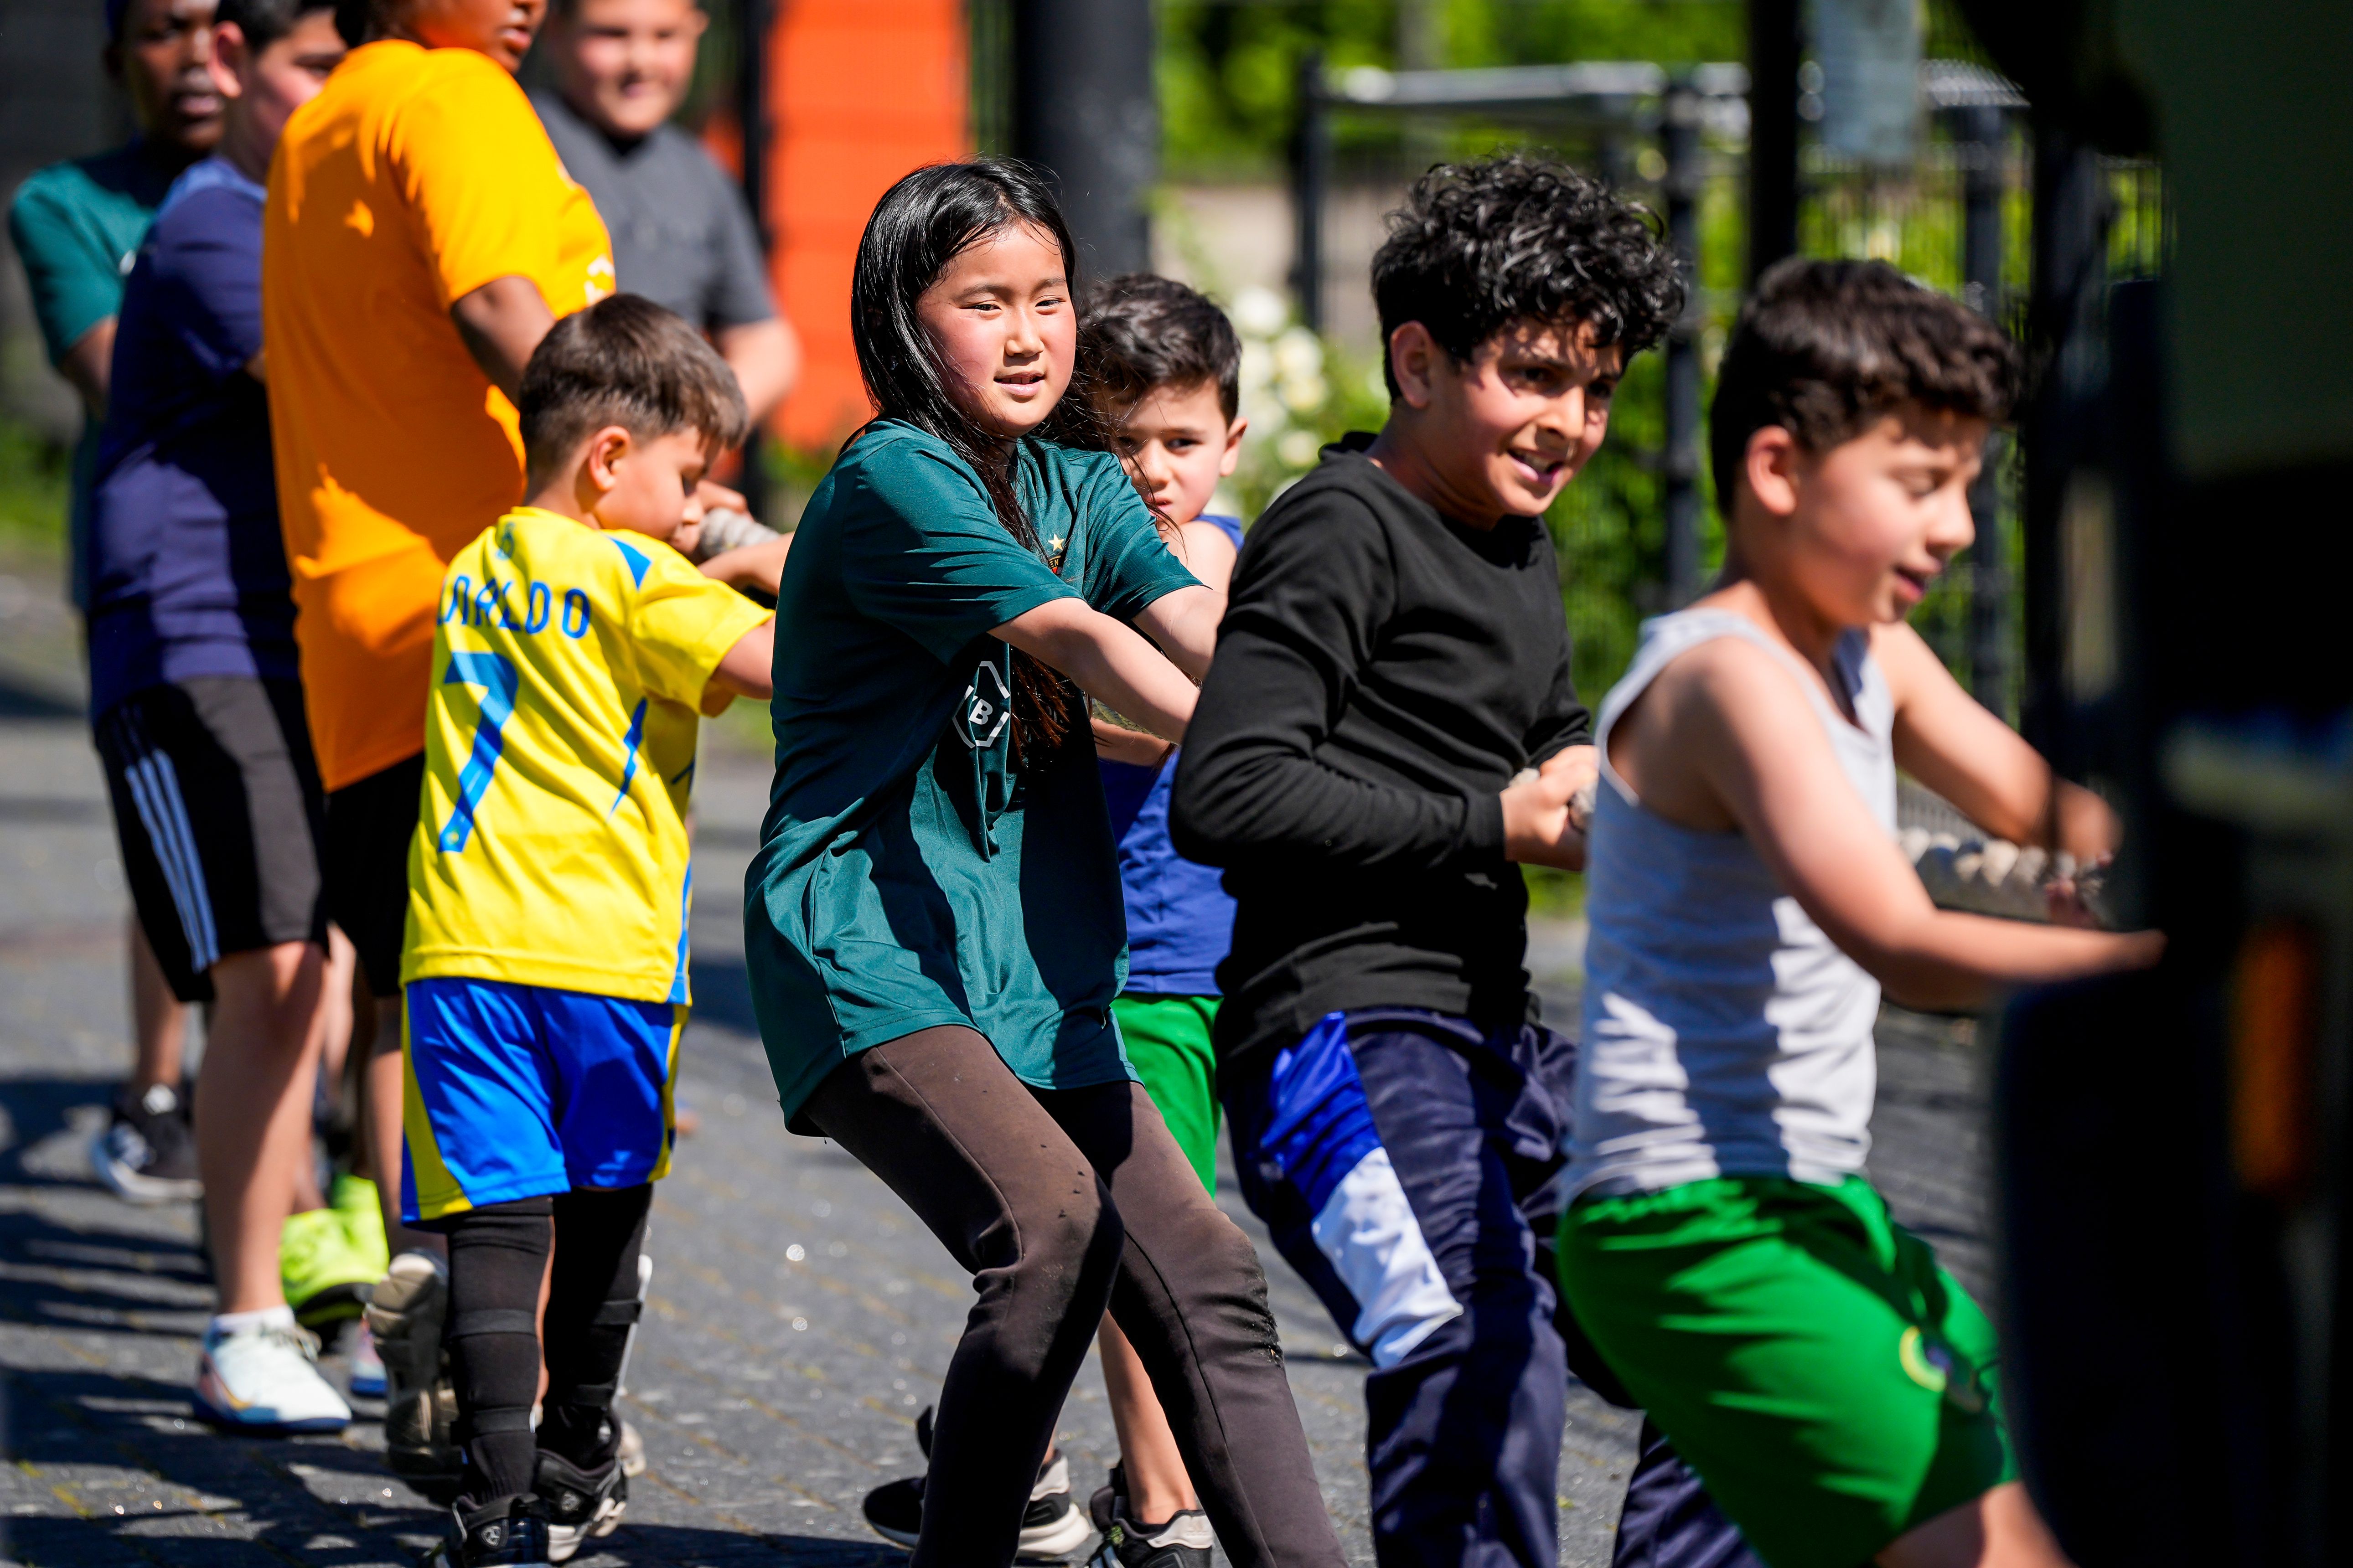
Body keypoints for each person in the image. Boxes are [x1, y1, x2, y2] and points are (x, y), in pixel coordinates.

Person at [742, 158, 1345, 1568]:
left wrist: (1339, 706)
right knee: (1048, 1224)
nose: (1028, 335)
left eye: (1050, 300)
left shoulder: (1081, 474)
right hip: (871, 949)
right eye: (984, 303)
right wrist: (1280, 759)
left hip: (1034, 961)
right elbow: (1087, 643)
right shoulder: (898, 475)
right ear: (903, 321)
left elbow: (1190, 617)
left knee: (1202, 1273)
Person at [1556, 258, 2162, 1568]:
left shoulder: (1866, 650)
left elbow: (2048, 810)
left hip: (1807, 1202)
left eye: (1965, 486)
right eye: (1918, 481)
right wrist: (2162, 963)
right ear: (1779, 471)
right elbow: (1897, 937)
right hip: (1688, 1225)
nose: (1955, 527)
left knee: (2043, 1468)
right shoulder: (1731, 680)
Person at [1167, 155, 1693, 1568]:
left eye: (1596, 388)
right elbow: (1224, 790)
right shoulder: (1341, 529)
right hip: (1334, 1042)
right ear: (1415, 358)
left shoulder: (1515, 546)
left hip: (1494, 1042)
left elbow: (1548, 731)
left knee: (1724, 1307)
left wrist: (1586, 767)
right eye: (1533, 377)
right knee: (1474, 1344)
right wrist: (1491, 822)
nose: (1569, 422)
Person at [264, 0, 617, 1478]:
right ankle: (510, 1399)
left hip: (359, 633)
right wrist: (635, 465)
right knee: (536, 1011)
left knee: (427, 994)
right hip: (492, 621)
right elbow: (504, 313)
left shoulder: (320, 118)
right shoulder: (452, 97)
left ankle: (440, 1309)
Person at [854, 272, 1249, 1568]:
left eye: (1179, 443)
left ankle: (1082, 1483)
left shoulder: (1214, 566)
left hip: (1190, 967)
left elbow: (1157, 694)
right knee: (1103, 1241)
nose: (1149, 471)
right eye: (1120, 441)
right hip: (1084, 961)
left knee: (1138, 1249)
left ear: (1230, 445)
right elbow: (1090, 695)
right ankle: (1107, 1487)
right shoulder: (1054, 555)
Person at [398, 294, 772, 1568]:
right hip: (605, 962)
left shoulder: (477, 567)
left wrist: (688, 558)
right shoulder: (641, 577)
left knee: (496, 1225)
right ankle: (577, 1451)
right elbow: (783, 665)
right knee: (607, 1215)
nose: (690, 508)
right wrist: (767, 556)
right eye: (686, 477)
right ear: (611, 459)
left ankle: (493, 1503)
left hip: (458, 952)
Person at [83, 0, 357, 1431]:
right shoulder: (216, 224)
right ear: (244, 69)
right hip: (194, 639)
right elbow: (354, 398)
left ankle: (346, 1292)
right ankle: (240, 1319)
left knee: (338, 974)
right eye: (315, 68)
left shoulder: (318, 217)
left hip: (308, 645)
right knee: (271, 969)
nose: (334, 103)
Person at [10, 0, 223, 1208]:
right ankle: (156, 1088)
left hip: (303, 560)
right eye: (161, 31)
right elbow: (118, 378)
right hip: (154, 573)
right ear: (116, 61)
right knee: (177, 823)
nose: (195, 57)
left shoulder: (314, 184)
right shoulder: (66, 207)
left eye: (217, 26)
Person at [533, 0, 799, 427]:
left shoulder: (703, 174)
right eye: (612, 34)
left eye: (665, 36)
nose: (641, 61)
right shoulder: (522, 141)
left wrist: (694, 428)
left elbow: (763, 339)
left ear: (697, 32)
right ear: (556, 33)